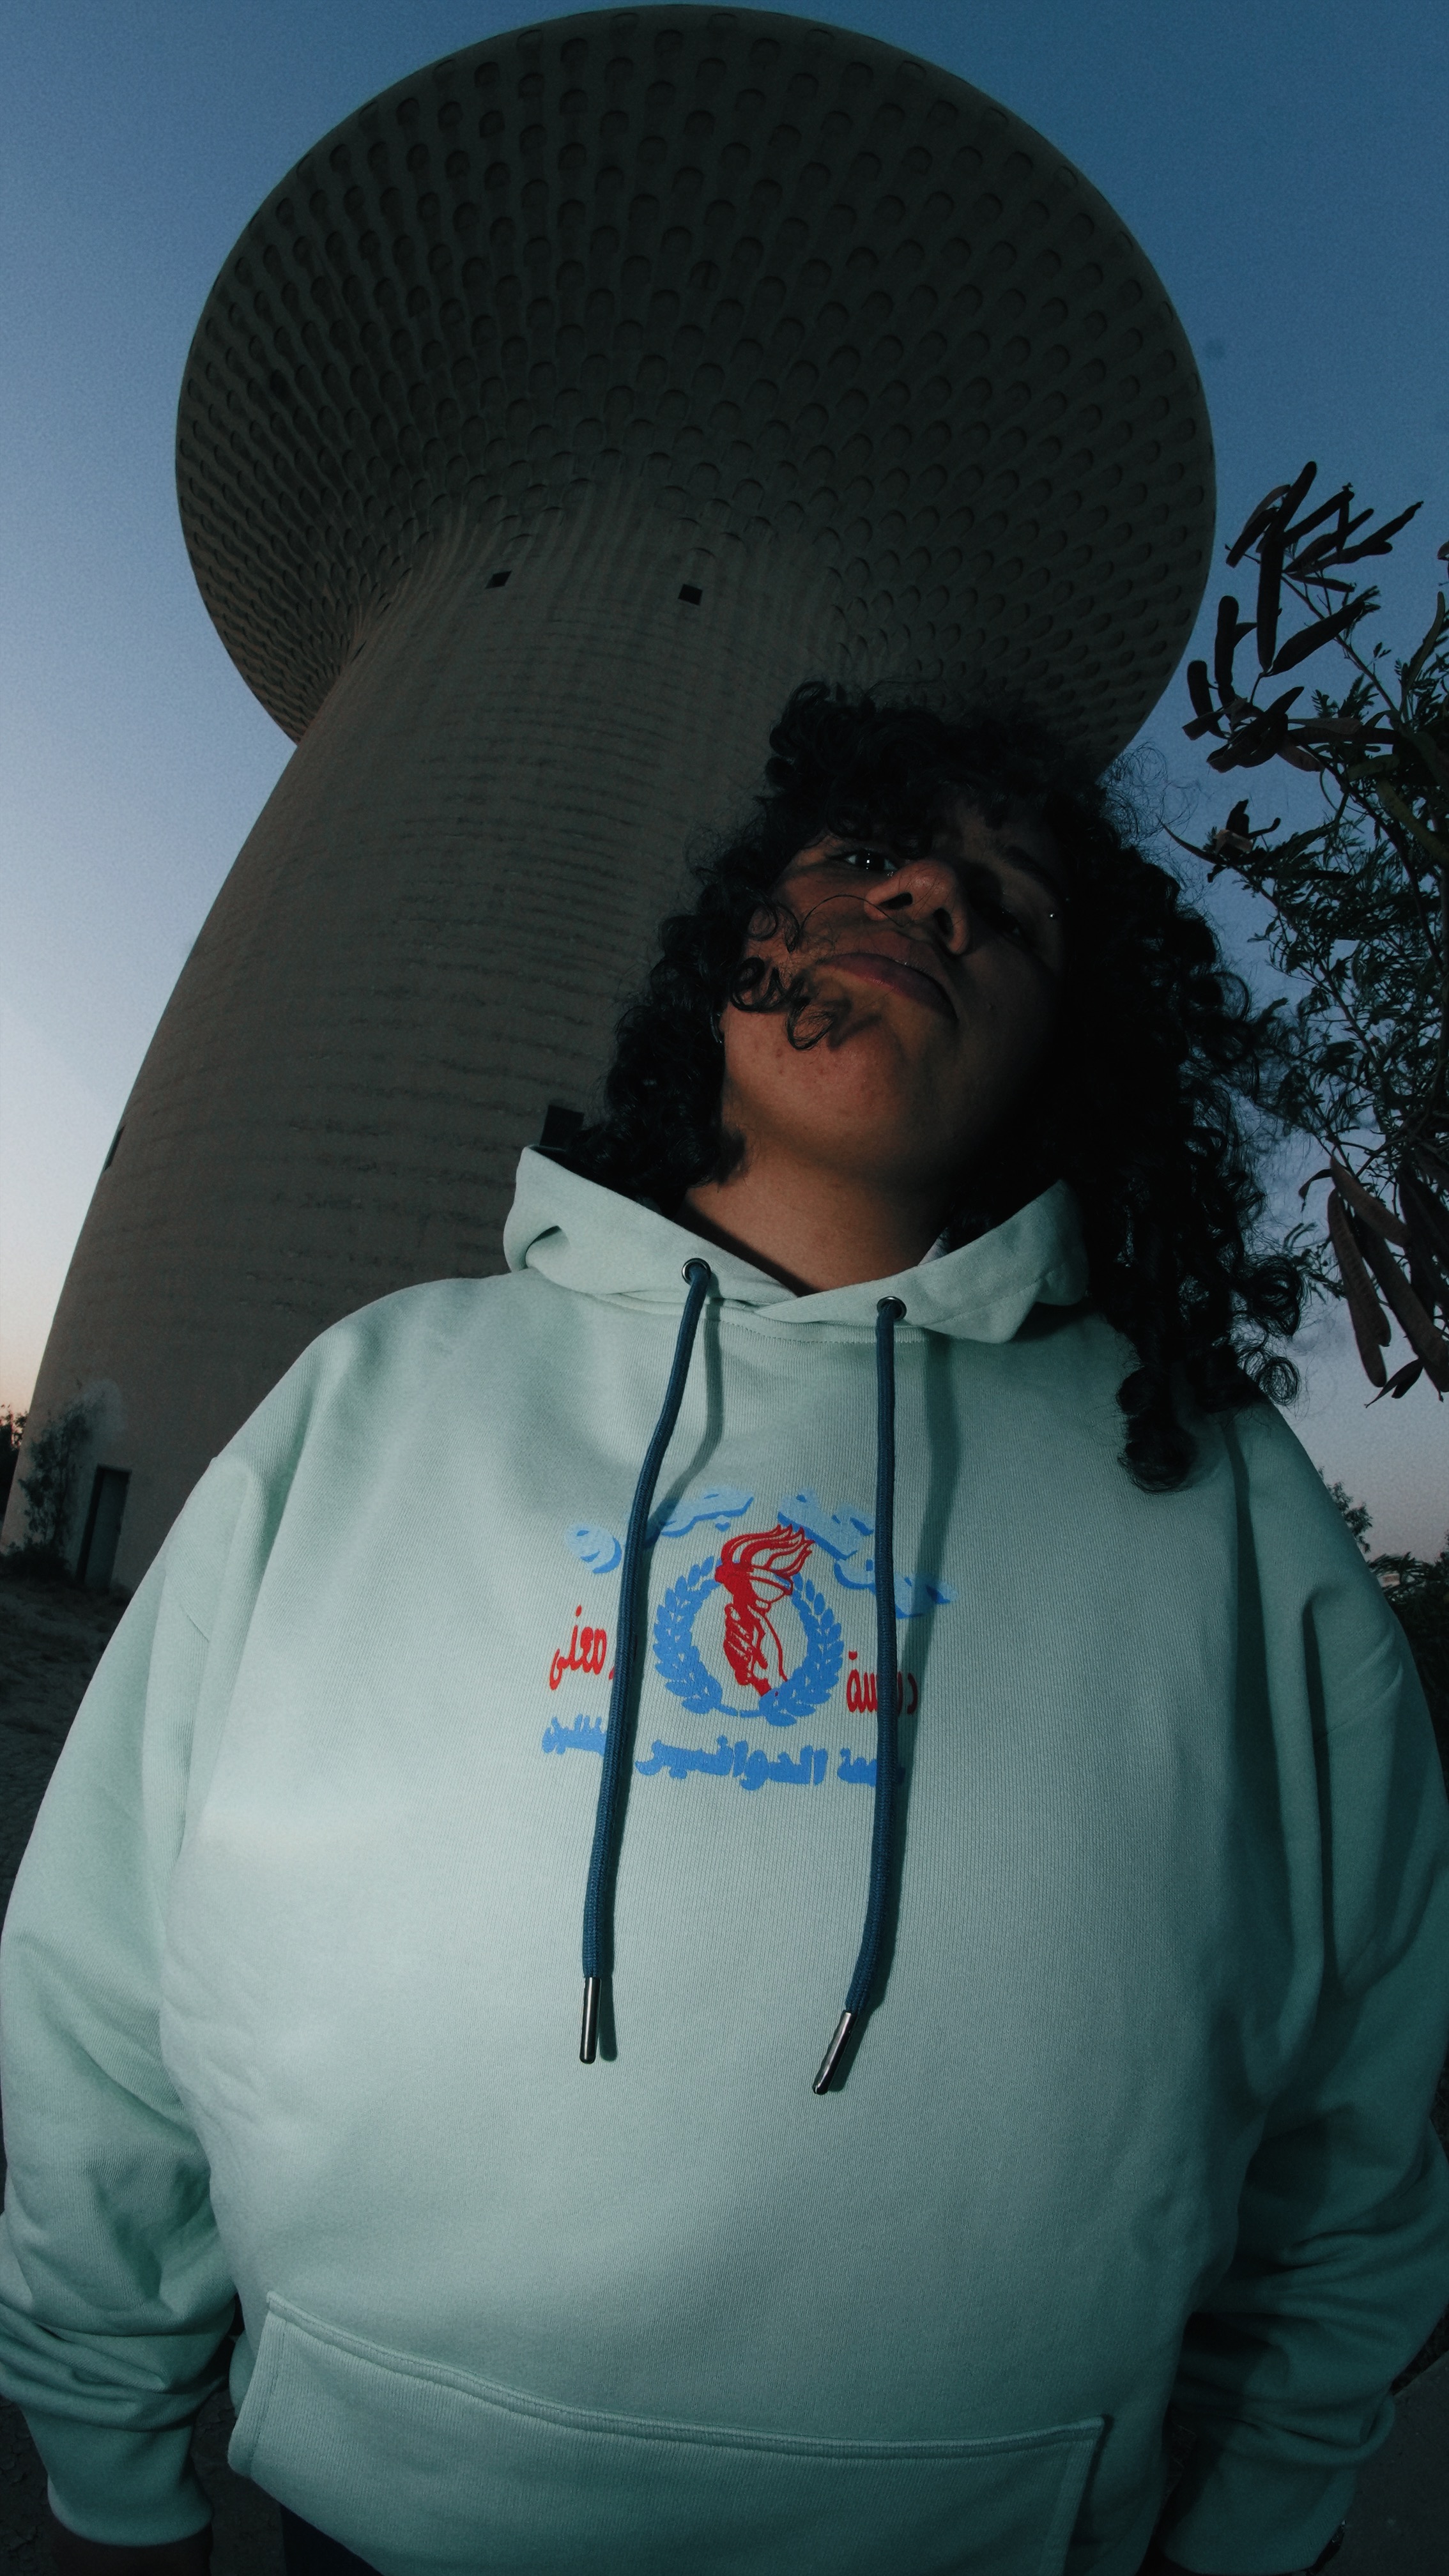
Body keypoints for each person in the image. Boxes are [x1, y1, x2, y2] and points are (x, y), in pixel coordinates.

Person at [3, 682, 1446, 2576]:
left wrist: (1261, 2524)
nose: (933, 896)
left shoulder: (1223, 1499)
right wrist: (107, 2462)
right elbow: (105, 1978)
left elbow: (1355, 2107)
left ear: (1067, 1053)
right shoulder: (377, 1394)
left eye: (1010, 906)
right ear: (730, 943)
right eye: (869, 857)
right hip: (375, 2516)